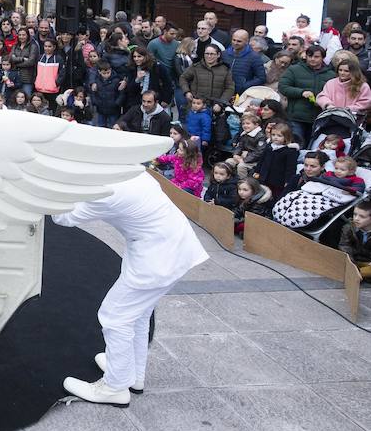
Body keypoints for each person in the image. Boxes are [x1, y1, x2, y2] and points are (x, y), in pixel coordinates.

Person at [54, 172, 207, 406]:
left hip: (156, 259)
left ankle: (114, 387)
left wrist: (47, 189)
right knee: (138, 314)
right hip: (175, 246)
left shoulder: (104, 191)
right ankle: (133, 375)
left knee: (114, 317)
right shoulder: (131, 168)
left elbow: (63, 218)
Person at [279, 45, 335, 144]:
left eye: (316, 57)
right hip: (296, 116)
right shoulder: (294, 69)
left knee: (313, 146)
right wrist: (301, 92)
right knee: (296, 144)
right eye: (310, 56)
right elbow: (283, 87)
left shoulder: (331, 75)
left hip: (319, 117)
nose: (312, 59)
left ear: (323, 58)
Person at [179, 45, 234, 113]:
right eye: (207, 54)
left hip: (215, 108)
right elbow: (183, 78)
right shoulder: (196, 67)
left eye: (212, 54)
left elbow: (230, 88)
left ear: (218, 55)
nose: (209, 56)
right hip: (196, 107)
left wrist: (220, 104)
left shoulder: (225, 69)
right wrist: (186, 91)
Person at [253, 122, 298, 201]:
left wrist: (288, 181)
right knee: (262, 193)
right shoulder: (269, 146)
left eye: (279, 136)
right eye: (273, 135)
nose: (275, 137)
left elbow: (290, 168)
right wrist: (257, 171)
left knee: (275, 196)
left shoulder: (290, 151)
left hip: (278, 180)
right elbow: (262, 160)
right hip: (264, 176)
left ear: (286, 137)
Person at [222, 30, 267, 94]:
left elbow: (261, 78)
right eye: (233, 40)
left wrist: (244, 86)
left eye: (239, 41)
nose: (235, 43)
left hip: (242, 93)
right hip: (224, 91)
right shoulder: (224, 54)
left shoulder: (254, 57)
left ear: (246, 41)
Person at [226, 113, 266, 179]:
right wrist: (236, 154)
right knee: (229, 162)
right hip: (243, 157)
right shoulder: (244, 134)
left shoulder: (260, 136)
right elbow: (240, 146)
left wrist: (245, 160)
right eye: (243, 124)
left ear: (256, 125)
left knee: (241, 166)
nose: (245, 125)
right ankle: (229, 180)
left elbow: (259, 152)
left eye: (248, 123)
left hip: (254, 161)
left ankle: (243, 182)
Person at [339, 200, 371, 280]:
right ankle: (355, 273)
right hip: (355, 260)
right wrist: (352, 265)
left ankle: (356, 274)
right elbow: (345, 246)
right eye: (355, 214)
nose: (356, 219)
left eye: (362, 216)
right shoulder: (349, 228)